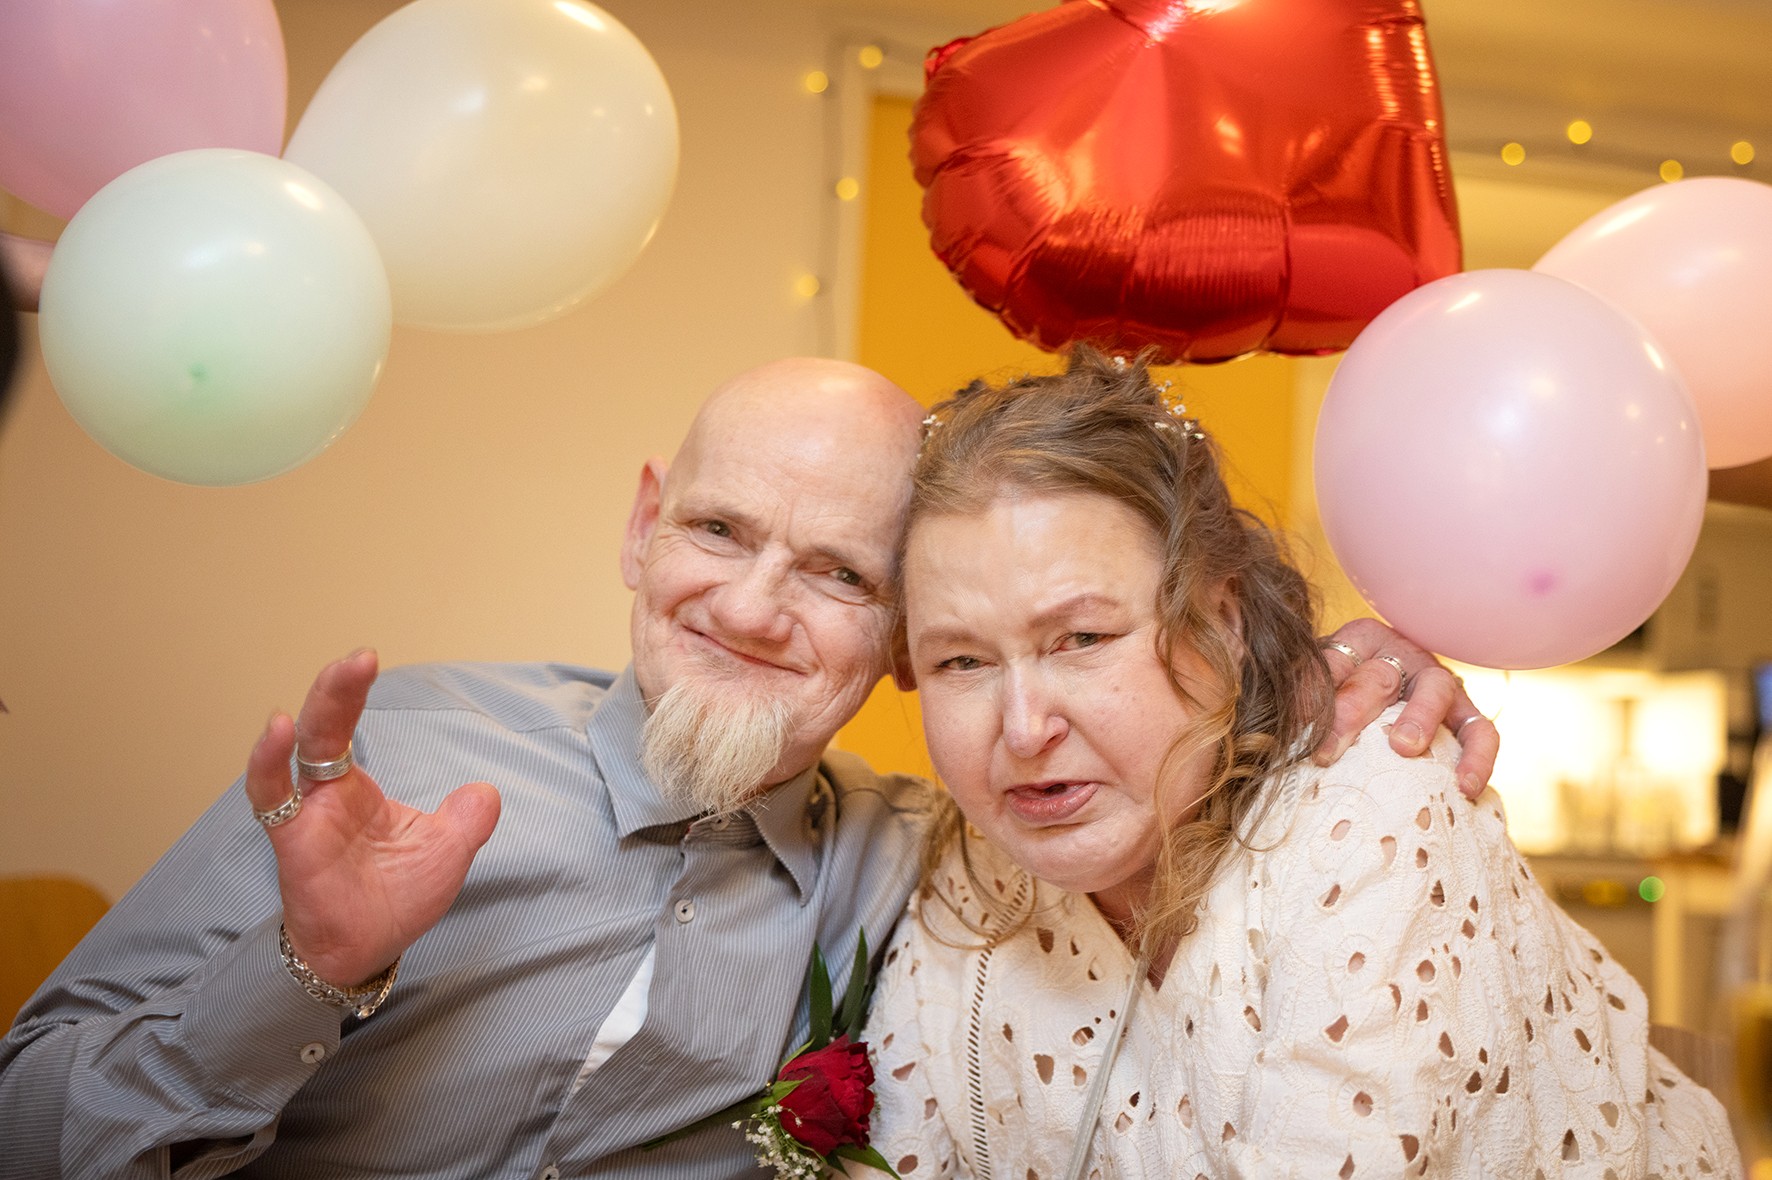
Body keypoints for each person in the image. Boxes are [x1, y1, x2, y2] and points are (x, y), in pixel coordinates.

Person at [0, 357, 1491, 1180]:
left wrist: (1319, 664)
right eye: (718, 532)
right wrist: (299, 974)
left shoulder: (927, 865)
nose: (754, 606)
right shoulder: (390, 759)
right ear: (646, 526)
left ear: (911, 641)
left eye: (838, 570)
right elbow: (28, 1128)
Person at [861, 349, 1737, 1179]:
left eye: (1083, 638)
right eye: (961, 662)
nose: (1022, 729)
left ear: (1226, 621)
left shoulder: (1372, 816)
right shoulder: (966, 870)